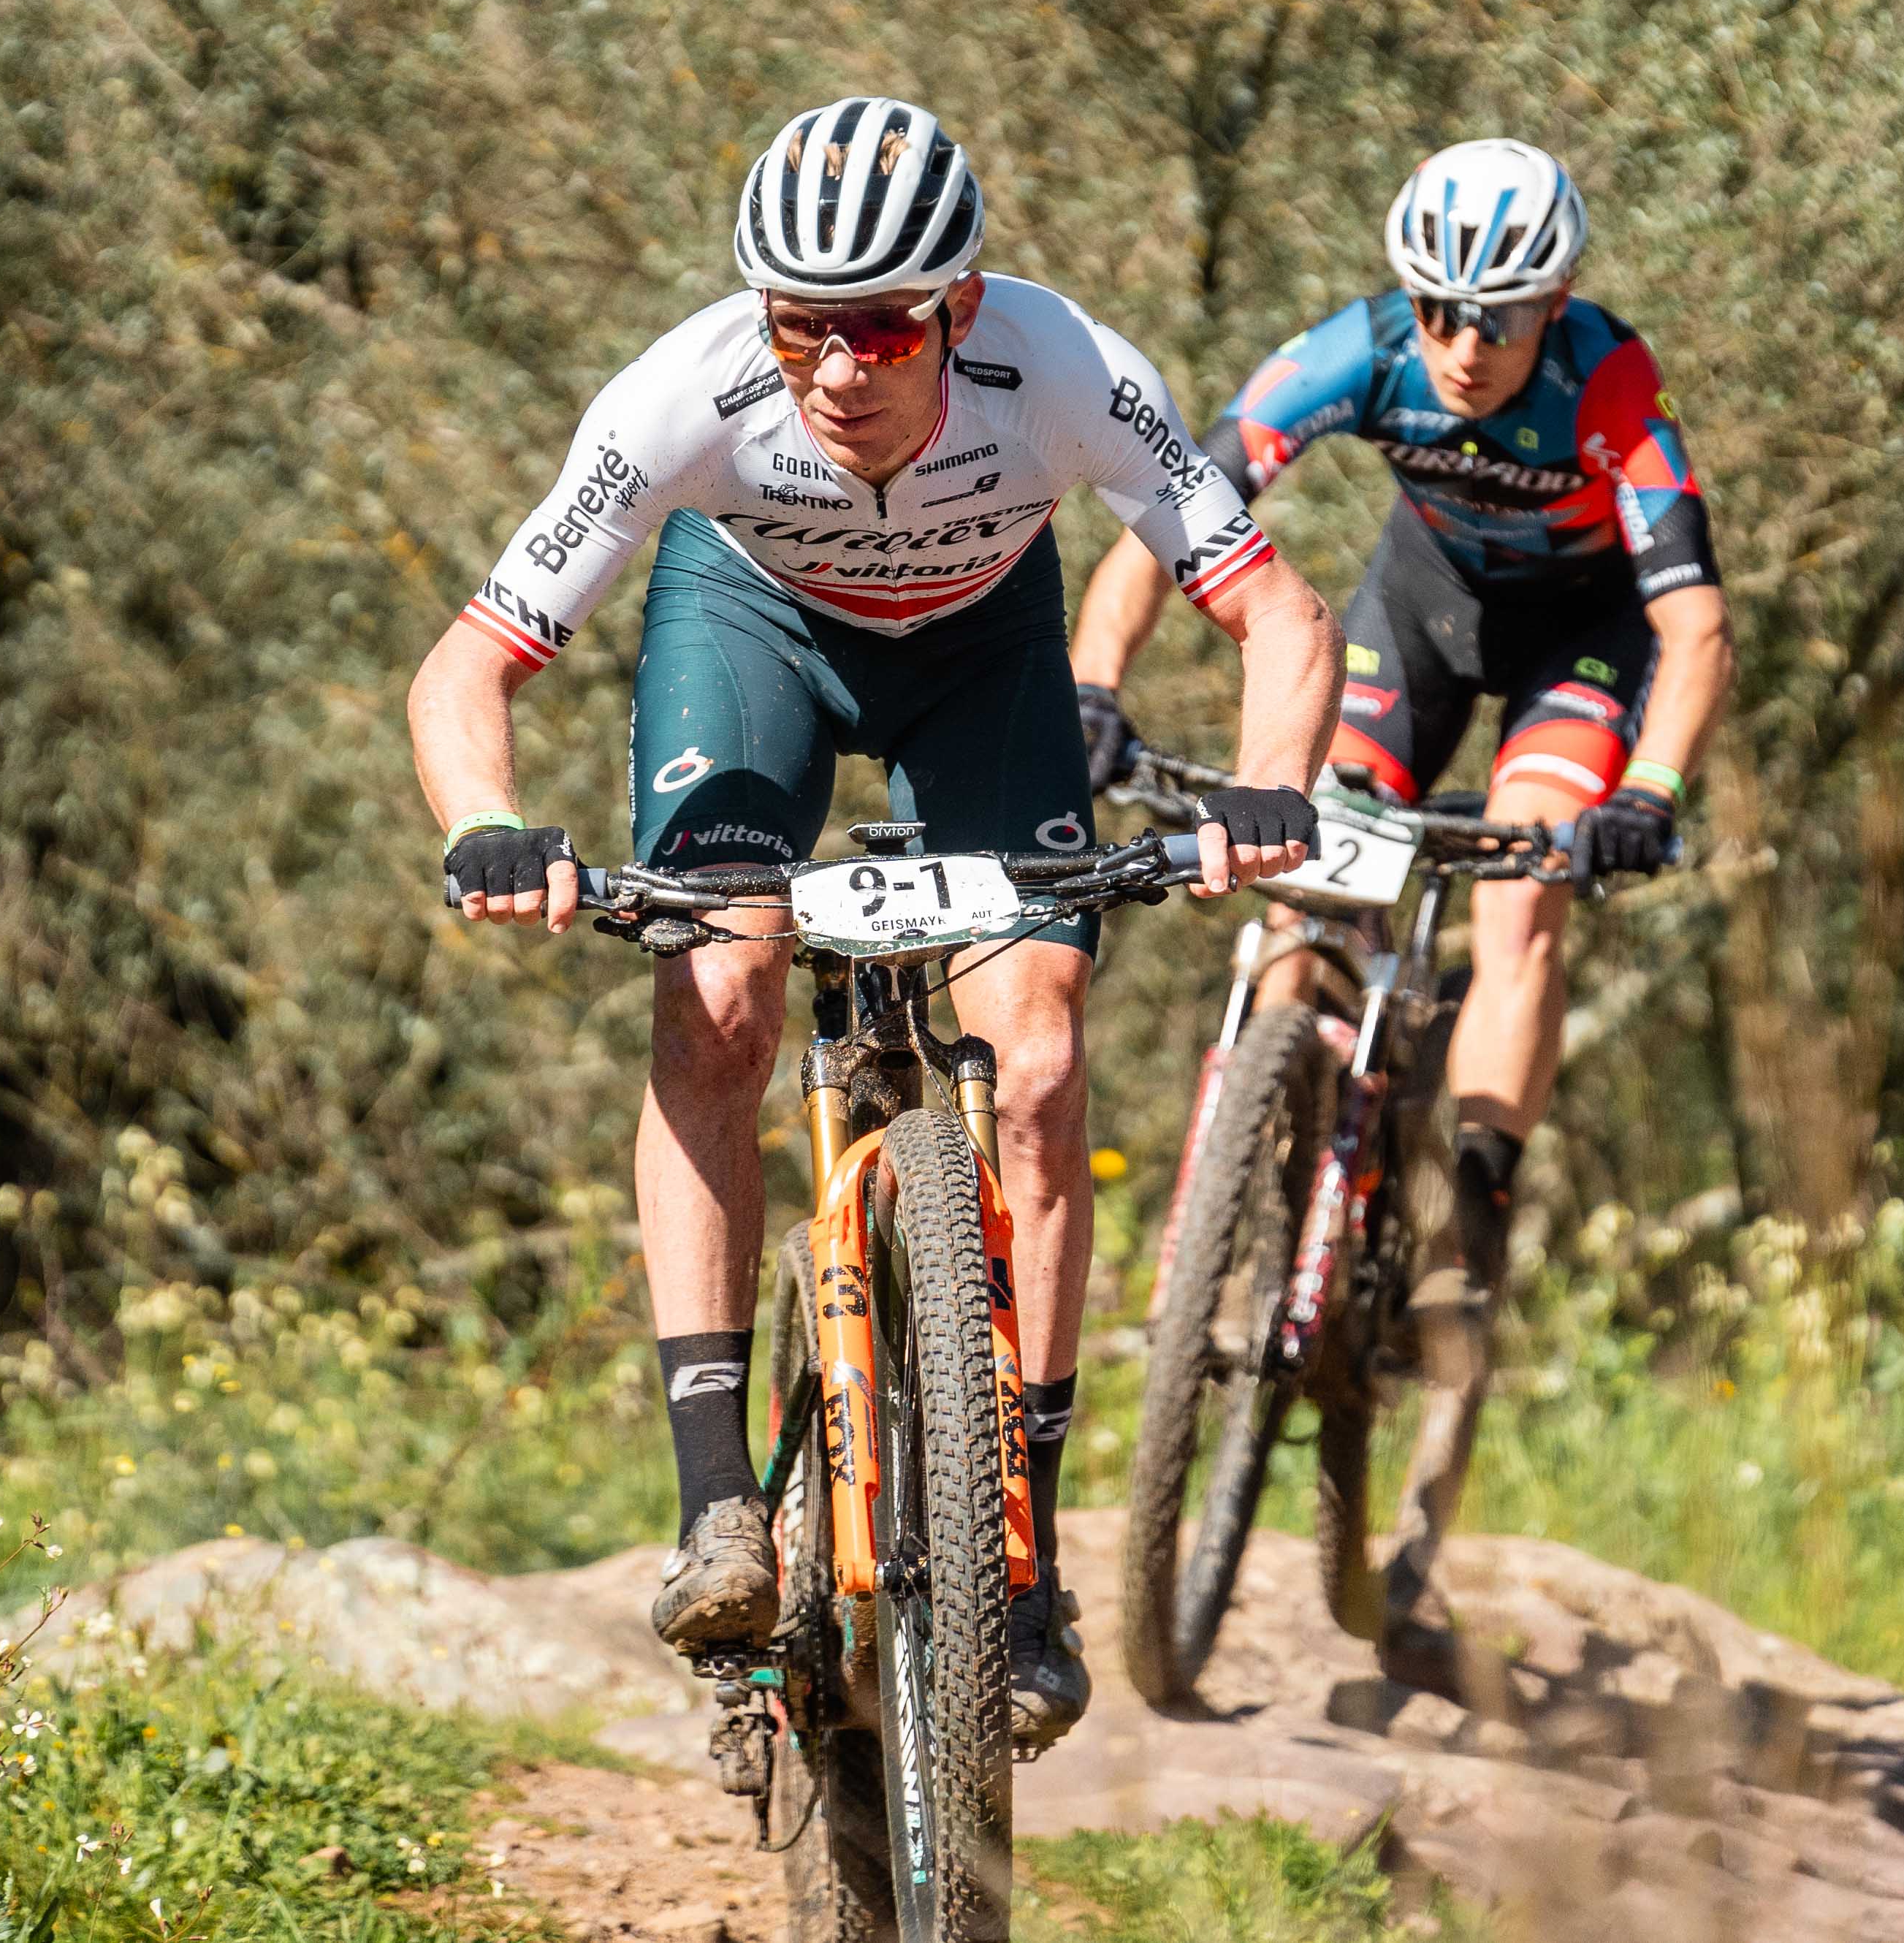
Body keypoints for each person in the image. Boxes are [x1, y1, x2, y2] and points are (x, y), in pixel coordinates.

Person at [405, 96, 1344, 1752]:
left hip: (986, 661)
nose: (838, 366)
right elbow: (470, 661)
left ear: (960, 310)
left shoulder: (1066, 373)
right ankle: (716, 1506)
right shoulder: (681, 398)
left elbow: (1276, 608)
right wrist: (487, 821)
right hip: (750, 632)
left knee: (1038, 1053)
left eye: (884, 327)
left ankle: (1024, 1560)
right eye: (800, 325)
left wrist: (1271, 788)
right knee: (720, 991)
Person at [1068, 137, 1732, 1632]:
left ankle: (1476, 1197)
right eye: (1437, 310)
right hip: (1414, 627)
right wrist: (1091, 679)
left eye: (1496, 318)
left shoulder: (1607, 388)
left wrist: (1652, 793)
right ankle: (1278, 1115)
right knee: (1304, 869)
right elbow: (1171, 500)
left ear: (1551, 302)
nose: (1460, 345)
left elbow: (1692, 632)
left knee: (1520, 890)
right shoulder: (1357, 352)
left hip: (1579, 652)